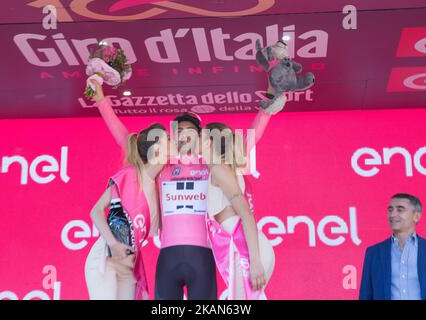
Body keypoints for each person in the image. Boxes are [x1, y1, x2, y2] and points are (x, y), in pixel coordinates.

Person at [89, 78, 282, 299]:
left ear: (201, 136)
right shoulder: (163, 166)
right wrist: (102, 101)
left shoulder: (211, 165)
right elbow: (127, 141)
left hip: (203, 257)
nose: (184, 134)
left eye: (190, 129)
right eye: (179, 129)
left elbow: (250, 140)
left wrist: (268, 104)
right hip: (168, 257)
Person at [84, 123, 169, 299]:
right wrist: (114, 244)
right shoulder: (129, 175)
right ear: (158, 149)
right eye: (168, 140)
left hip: (130, 263)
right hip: (106, 258)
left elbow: (156, 230)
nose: (173, 144)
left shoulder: (158, 187)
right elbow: (96, 211)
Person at [201, 122, 275, 299]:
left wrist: (255, 262)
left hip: (245, 251)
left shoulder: (220, 170)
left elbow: (246, 214)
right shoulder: (219, 170)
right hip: (242, 248)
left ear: (209, 143)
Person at [359, 193, 426, 300]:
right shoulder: (374, 252)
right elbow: (366, 294)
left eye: (400, 210)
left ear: (416, 216)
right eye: (390, 210)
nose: (392, 214)